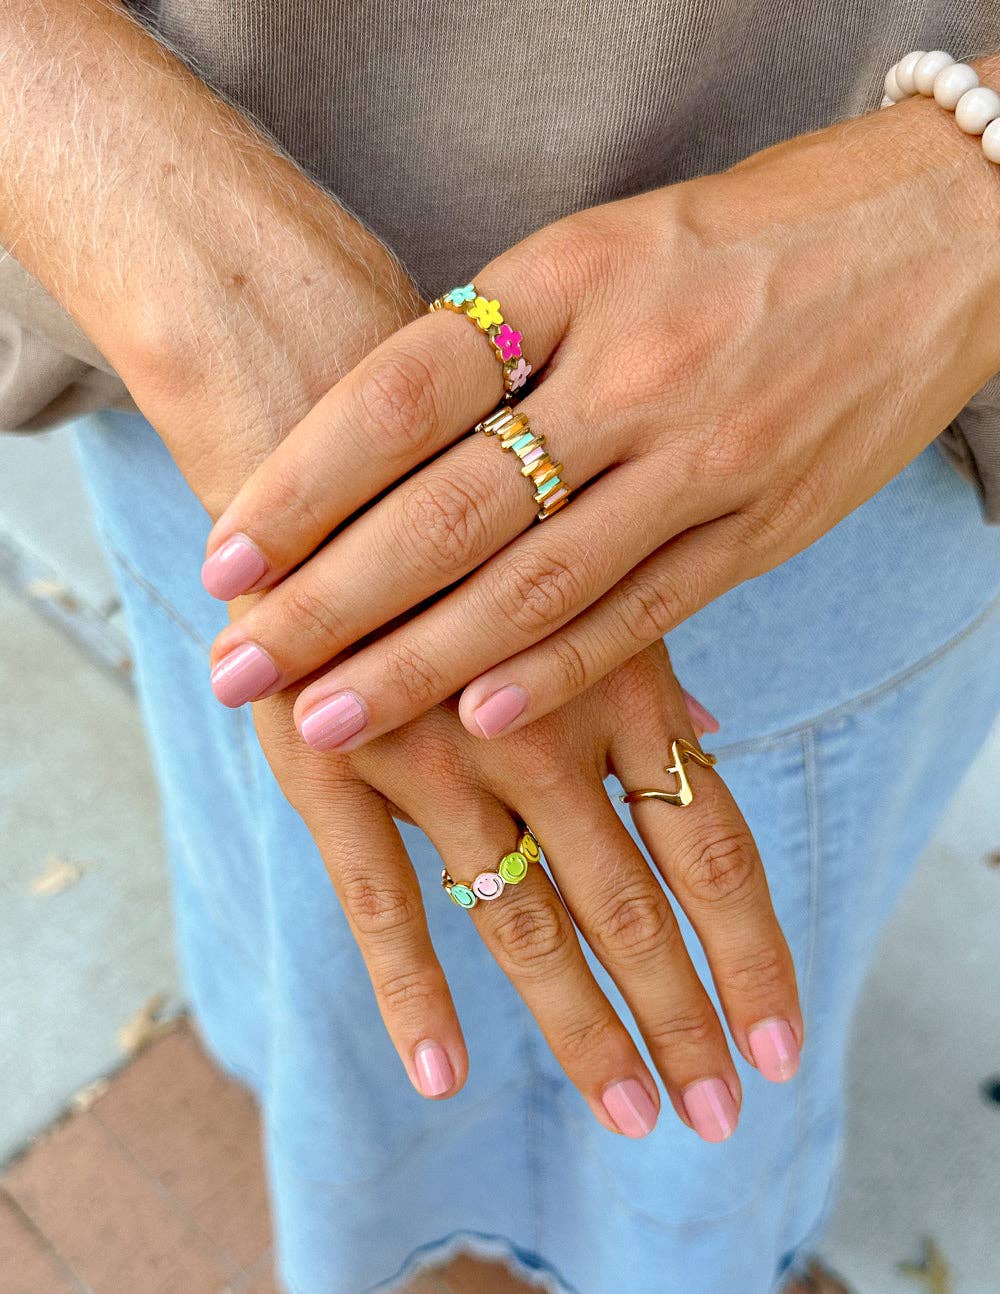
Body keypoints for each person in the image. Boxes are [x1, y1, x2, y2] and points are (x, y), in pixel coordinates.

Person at [2, 3, 999, 1291]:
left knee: (720, 967)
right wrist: (86, 153)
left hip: (814, 383)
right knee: (333, 943)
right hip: (171, 365)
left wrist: (960, 196)